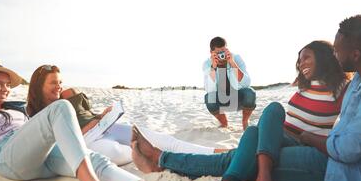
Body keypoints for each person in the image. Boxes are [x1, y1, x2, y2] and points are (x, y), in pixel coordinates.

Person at [132, 40, 352, 181]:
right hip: (276, 138)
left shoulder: (343, 87)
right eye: (299, 60)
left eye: (306, 58)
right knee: (271, 112)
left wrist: (310, 138)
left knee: (235, 155)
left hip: (302, 145)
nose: (301, 63)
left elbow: (349, 130)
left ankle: (169, 162)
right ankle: (162, 159)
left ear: (323, 58)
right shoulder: (302, 85)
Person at [0, 60, 207, 181]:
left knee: (94, 160)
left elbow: (43, 127)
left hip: (41, 155)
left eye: (6, 85)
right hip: (7, 157)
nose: (5, 89)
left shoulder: (17, 108)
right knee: (61, 108)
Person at [26, 65, 227, 166]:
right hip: (88, 141)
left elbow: (85, 115)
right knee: (134, 153)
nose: (59, 86)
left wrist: (101, 115)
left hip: (105, 127)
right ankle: (202, 162)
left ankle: (220, 153)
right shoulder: (36, 114)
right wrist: (91, 125)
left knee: (159, 140)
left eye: (60, 81)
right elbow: (56, 144)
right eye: (54, 83)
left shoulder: (67, 97)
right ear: (39, 86)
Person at [203, 37, 256, 130]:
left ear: (227, 49)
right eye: (218, 53)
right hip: (221, 100)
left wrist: (233, 63)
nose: (221, 55)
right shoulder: (207, 64)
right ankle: (224, 123)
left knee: (250, 93)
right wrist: (213, 67)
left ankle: (245, 121)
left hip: (238, 98)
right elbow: (209, 90)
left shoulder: (236, 58)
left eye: (223, 51)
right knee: (209, 98)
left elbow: (246, 83)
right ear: (211, 52)